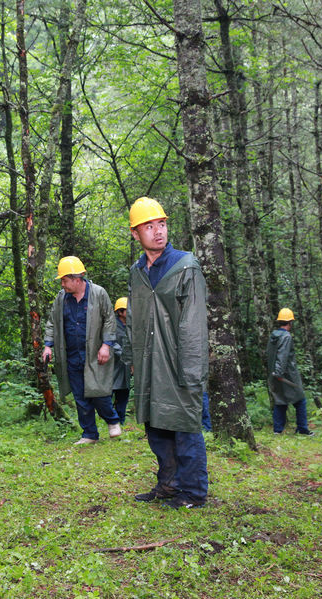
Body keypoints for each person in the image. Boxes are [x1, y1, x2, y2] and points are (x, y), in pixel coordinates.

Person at [124, 197, 209, 509]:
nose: (158, 231)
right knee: (156, 425)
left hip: (179, 363)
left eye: (161, 223)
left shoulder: (186, 266)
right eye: (149, 226)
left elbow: (194, 324)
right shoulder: (137, 272)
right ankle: (169, 485)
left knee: (185, 426)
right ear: (136, 233)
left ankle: (194, 493)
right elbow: (133, 318)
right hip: (149, 363)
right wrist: (132, 361)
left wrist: (192, 371)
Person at [43, 256, 121, 444]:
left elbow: (110, 320)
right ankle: (89, 434)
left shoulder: (98, 293)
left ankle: (112, 421)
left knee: (99, 391)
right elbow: (52, 322)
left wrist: (106, 345)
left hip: (95, 352)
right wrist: (47, 345)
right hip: (71, 354)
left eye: (64, 280)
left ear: (77, 279)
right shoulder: (61, 298)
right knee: (80, 396)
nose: (62, 284)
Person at [266, 308, 314, 436]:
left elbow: (269, 355)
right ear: (290, 322)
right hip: (286, 375)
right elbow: (282, 356)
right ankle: (303, 429)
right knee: (300, 400)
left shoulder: (273, 336)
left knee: (280, 401)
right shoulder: (286, 336)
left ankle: (277, 430)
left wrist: (274, 373)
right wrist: (279, 373)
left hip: (274, 374)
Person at [111, 297, 132, 425]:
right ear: (120, 312)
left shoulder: (132, 326)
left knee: (124, 392)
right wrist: (125, 355)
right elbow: (110, 342)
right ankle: (111, 419)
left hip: (126, 367)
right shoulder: (112, 325)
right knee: (109, 392)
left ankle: (121, 420)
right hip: (112, 365)